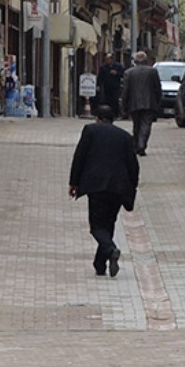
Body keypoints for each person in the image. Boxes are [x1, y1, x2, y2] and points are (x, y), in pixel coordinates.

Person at [68, 104, 139, 278]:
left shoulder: (90, 131)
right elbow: (133, 166)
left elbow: (80, 156)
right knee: (108, 224)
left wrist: (74, 182)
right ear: (113, 119)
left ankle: (111, 249)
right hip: (118, 188)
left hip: (96, 186)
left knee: (96, 227)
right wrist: (132, 187)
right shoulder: (125, 137)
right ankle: (100, 264)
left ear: (97, 118)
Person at [119, 50, 163, 156]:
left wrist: (123, 105)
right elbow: (158, 88)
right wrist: (158, 101)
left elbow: (125, 90)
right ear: (146, 60)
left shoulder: (129, 72)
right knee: (146, 125)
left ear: (135, 61)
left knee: (137, 125)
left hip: (134, 104)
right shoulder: (152, 71)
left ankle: (137, 145)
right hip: (149, 103)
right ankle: (141, 145)